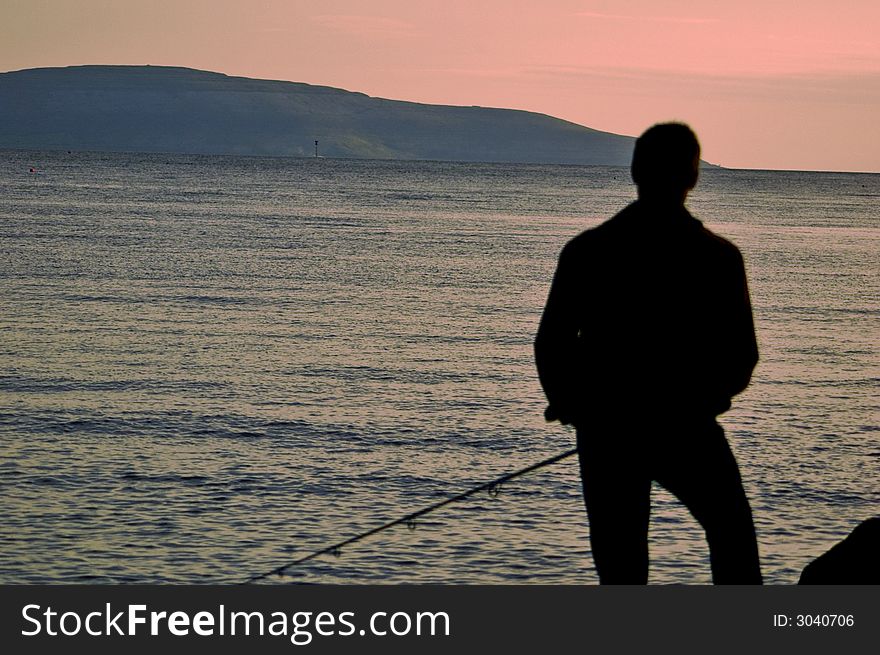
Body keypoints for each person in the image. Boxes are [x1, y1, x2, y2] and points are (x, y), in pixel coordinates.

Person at [534, 122, 762, 584]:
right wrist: (705, 399)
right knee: (731, 532)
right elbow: (741, 354)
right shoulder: (717, 257)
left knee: (620, 562)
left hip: (607, 429)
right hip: (686, 425)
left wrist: (570, 402)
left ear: (636, 170)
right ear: (693, 176)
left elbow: (551, 343)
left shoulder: (588, 250)